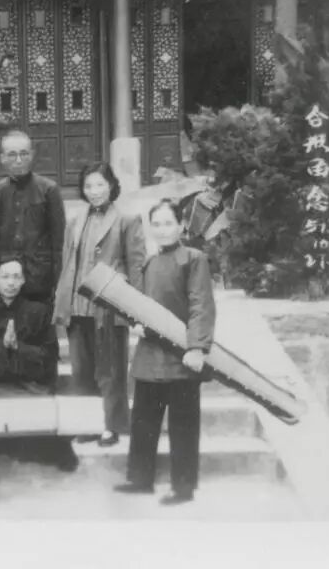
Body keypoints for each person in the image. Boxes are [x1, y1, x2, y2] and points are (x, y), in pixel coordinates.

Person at [114, 199, 216, 506]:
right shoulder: (149, 262)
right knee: (143, 422)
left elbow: (201, 305)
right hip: (149, 356)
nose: (162, 230)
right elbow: (140, 303)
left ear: (181, 226)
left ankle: (183, 487)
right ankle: (140, 479)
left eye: (168, 223)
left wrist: (197, 347)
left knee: (183, 426)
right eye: (156, 224)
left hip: (182, 356)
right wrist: (134, 321)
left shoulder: (193, 259)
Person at [53, 162, 146, 447]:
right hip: (78, 304)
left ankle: (111, 426)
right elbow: (68, 262)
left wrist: (136, 308)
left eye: (100, 185)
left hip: (108, 304)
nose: (94, 191)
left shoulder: (126, 220)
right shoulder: (75, 220)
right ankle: (90, 424)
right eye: (88, 186)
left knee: (110, 369)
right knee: (81, 369)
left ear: (112, 186)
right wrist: (63, 300)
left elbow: (137, 265)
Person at [0, 257, 79, 471]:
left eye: (16, 277)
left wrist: (19, 347)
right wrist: (1, 348)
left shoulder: (40, 313)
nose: (10, 283)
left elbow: (49, 358)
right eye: (5, 276)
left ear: (24, 280)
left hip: (31, 385)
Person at [0, 130, 65, 305]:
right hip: (7, 279)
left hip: (39, 278)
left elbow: (58, 241)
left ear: (32, 155)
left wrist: (59, 281)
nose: (18, 160)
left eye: (24, 154)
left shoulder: (49, 189)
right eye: (12, 155)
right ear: (3, 158)